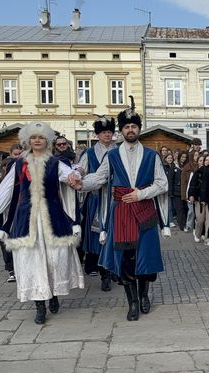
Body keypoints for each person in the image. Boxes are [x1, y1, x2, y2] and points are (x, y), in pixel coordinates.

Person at [71, 97, 170, 321]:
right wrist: (81, 184)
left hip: (145, 211)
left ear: (139, 129)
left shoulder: (151, 155)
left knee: (146, 258)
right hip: (122, 213)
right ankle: (132, 302)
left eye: (134, 126)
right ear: (121, 131)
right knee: (126, 259)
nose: (130, 129)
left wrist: (141, 194)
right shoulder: (112, 155)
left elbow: (162, 183)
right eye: (126, 126)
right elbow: (99, 178)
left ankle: (144, 294)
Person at [0, 121, 84, 325]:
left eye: (41, 137)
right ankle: (39, 304)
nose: (37, 140)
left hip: (52, 216)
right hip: (27, 218)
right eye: (34, 137)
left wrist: (76, 176)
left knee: (53, 258)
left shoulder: (55, 162)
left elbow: (70, 175)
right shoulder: (19, 163)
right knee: (32, 259)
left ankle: (53, 293)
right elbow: (7, 189)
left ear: (47, 141)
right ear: (27, 141)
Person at [77, 116, 117, 291]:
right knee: (99, 236)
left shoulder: (120, 150)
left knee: (116, 234)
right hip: (95, 198)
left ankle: (114, 268)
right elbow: (82, 170)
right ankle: (104, 274)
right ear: (97, 135)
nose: (107, 135)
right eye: (103, 132)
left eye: (109, 132)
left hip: (116, 199)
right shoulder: (90, 153)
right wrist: (76, 174)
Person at [189, 155, 209, 245]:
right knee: (200, 219)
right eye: (205, 160)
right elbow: (192, 184)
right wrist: (191, 195)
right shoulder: (198, 172)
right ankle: (198, 234)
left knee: (208, 220)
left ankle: (207, 238)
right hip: (199, 199)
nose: (207, 161)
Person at [162, 153, 177, 228]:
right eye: (168, 158)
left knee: (173, 206)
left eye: (171, 158)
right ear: (165, 159)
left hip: (174, 189)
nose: (170, 159)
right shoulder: (164, 168)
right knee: (169, 207)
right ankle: (170, 221)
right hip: (167, 190)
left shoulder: (174, 167)